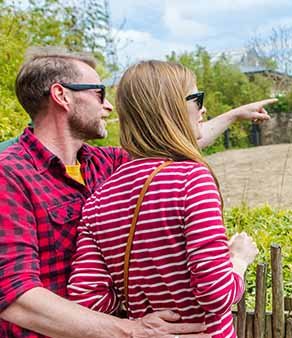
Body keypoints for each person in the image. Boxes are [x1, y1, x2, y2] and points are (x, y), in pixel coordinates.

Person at [0, 46, 274, 338]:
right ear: (62, 95)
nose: (108, 106)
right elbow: (15, 297)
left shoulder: (105, 166)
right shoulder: (10, 174)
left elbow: (168, 140)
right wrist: (132, 330)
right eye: (99, 93)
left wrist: (234, 115)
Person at [67, 60, 259, 337]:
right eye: (197, 98)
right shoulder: (192, 179)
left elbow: (88, 299)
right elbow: (216, 294)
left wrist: (140, 304)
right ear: (170, 108)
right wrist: (238, 260)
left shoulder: (99, 199)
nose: (203, 109)